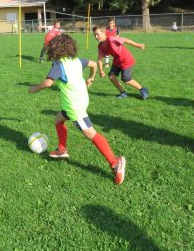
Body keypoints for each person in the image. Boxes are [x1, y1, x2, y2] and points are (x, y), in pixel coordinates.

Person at [28, 34, 126, 185]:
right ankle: (62, 149)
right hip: (77, 101)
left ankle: (115, 163)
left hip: (75, 106)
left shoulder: (58, 64)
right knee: (58, 119)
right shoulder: (76, 60)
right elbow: (93, 64)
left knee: (90, 133)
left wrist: (34, 89)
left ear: (56, 48)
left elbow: (48, 83)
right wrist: (91, 78)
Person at [92, 26, 149, 99]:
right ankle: (123, 93)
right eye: (94, 35)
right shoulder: (100, 46)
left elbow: (125, 40)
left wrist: (137, 45)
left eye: (97, 34)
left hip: (126, 59)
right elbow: (100, 59)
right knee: (112, 77)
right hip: (117, 60)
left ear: (103, 33)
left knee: (126, 79)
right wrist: (101, 70)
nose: (96, 37)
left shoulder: (111, 39)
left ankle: (143, 89)